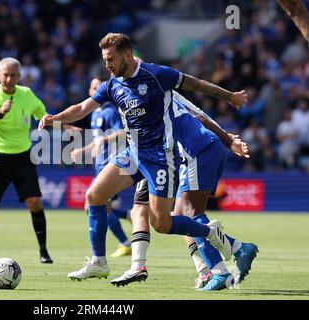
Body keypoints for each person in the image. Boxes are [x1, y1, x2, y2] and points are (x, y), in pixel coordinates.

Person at [39, 33, 247, 280]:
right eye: (105, 60)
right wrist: (56, 118)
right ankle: (99, 262)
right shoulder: (111, 85)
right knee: (94, 196)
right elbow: (82, 108)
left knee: (161, 224)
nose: (107, 65)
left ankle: (212, 234)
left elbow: (199, 84)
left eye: (111, 59)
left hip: (161, 157)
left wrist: (230, 97)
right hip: (133, 152)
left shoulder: (158, 75)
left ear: (127, 54)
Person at [111, 92, 259, 291]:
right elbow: (199, 115)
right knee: (181, 214)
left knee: (192, 213)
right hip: (202, 148)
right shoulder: (164, 93)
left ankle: (221, 270)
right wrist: (227, 139)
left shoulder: (148, 100)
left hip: (194, 151)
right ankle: (235, 250)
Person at [0, 57, 53, 264]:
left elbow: (44, 117)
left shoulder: (26, 94)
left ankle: (43, 252)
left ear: (19, 76)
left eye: (13, 75)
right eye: (5, 75)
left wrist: (67, 126)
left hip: (22, 156)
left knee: (35, 202)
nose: (9, 79)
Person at [70, 75, 132, 258]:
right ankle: (129, 216)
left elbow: (123, 132)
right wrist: (82, 150)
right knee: (102, 207)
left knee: (92, 205)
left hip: (111, 164)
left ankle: (125, 243)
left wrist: (104, 140)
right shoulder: (95, 114)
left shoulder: (110, 111)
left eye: (99, 87)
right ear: (89, 92)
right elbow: (98, 141)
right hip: (100, 165)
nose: (95, 91)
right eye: (92, 88)